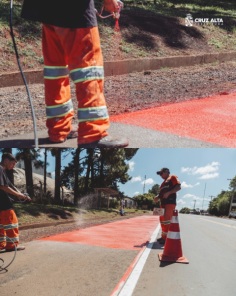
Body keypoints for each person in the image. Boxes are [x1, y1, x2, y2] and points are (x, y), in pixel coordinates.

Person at [21, 0, 129, 148]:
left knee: (56, 73)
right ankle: (93, 133)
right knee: (89, 72)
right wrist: (110, 2)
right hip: (76, 12)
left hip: (46, 11)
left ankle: (59, 129)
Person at [0, 153, 31, 252]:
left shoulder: (3, 171)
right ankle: (11, 246)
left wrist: (22, 195)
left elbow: (10, 185)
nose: (13, 166)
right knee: (11, 223)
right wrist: (19, 195)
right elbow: (3, 187)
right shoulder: (0, 169)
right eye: (12, 164)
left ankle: (1, 245)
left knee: (1, 226)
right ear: (6, 161)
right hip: (4, 204)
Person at [154, 167, 181, 244]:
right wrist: (157, 197)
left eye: (161, 173)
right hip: (162, 203)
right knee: (162, 220)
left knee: (167, 220)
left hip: (170, 202)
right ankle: (163, 237)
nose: (160, 175)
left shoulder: (172, 177)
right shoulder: (162, 184)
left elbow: (178, 187)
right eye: (160, 174)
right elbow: (161, 194)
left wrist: (169, 193)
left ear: (167, 172)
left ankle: (167, 239)